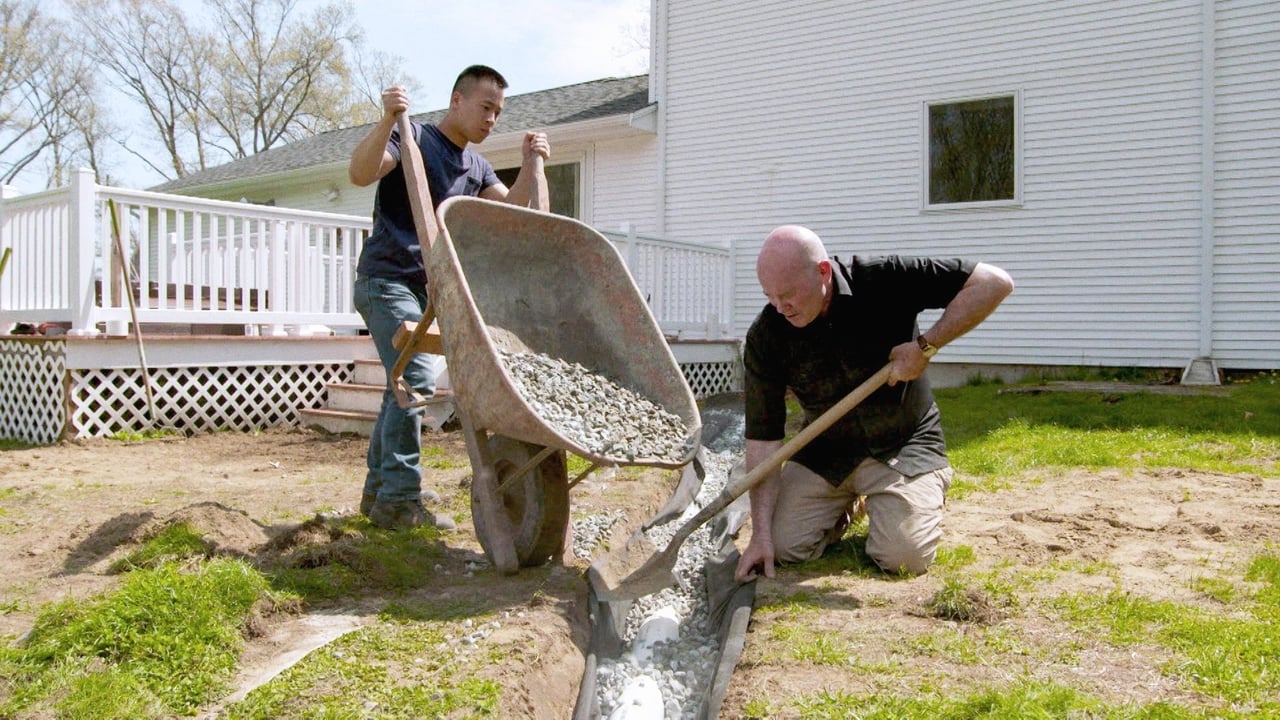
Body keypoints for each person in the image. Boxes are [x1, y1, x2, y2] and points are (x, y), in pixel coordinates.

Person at [734, 225, 1014, 581]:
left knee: (901, 557)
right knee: (782, 547)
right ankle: (851, 502)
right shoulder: (767, 335)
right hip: (827, 451)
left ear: (823, 271)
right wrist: (759, 535)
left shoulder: (884, 280)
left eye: (788, 294)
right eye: (769, 295)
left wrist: (926, 346)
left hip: (902, 443)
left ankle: (918, 488)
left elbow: (995, 282)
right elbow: (763, 442)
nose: (779, 306)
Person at [348, 65, 551, 530]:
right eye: (485, 108)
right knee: (415, 373)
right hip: (387, 281)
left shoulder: (476, 167)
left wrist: (532, 163)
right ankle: (400, 502)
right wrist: (387, 120)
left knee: (398, 383)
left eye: (498, 113)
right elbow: (360, 174)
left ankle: (381, 492)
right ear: (457, 100)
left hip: (431, 289)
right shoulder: (412, 137)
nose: (492, 120)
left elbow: (512, 210)